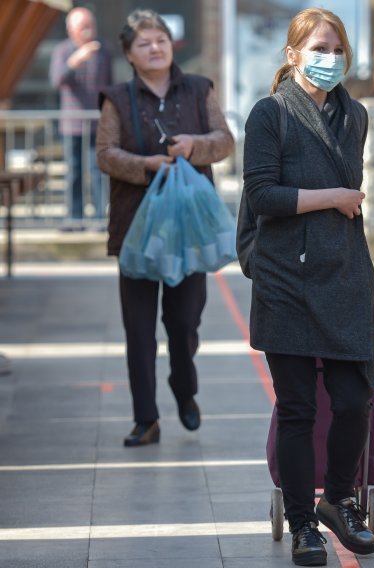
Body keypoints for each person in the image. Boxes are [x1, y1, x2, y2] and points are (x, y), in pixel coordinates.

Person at [241, 8, 374, 566]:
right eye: (318, 48)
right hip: (287, 280)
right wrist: (331, 195)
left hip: (345, 275)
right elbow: (262, 197)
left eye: (336, 48)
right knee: (298, 409)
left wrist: (338, 202)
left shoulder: (357, 116)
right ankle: (304, 521)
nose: (329, 58)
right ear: (293, 54)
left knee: (355, 398)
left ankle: (340, 500)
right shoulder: (269, 115)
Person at [95, 9, 234, 447]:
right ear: (129, 55)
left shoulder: (198, 88)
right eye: (143, 43)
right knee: (138, 330)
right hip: (136, 229)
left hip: (189, 232)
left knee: (185, 324)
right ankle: (146, 418)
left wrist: (195, 146)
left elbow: (225, 140)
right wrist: (145, 166)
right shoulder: (117, 98)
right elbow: (105, 154)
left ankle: (183, 385)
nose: (154, 48)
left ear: (171, 44)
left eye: (160, 39)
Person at [50, 7, 113, 230]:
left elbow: (109, 84)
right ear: (71, 30)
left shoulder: (103, 50)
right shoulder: (63, 50)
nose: (88, 31)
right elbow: (57, 80)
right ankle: (74, 217)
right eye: (83, 27)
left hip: (97, 122)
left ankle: (98, 217)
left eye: (90, 25)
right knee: (74, 172)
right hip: (72, 124)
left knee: (98, 171)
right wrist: (76, 59)